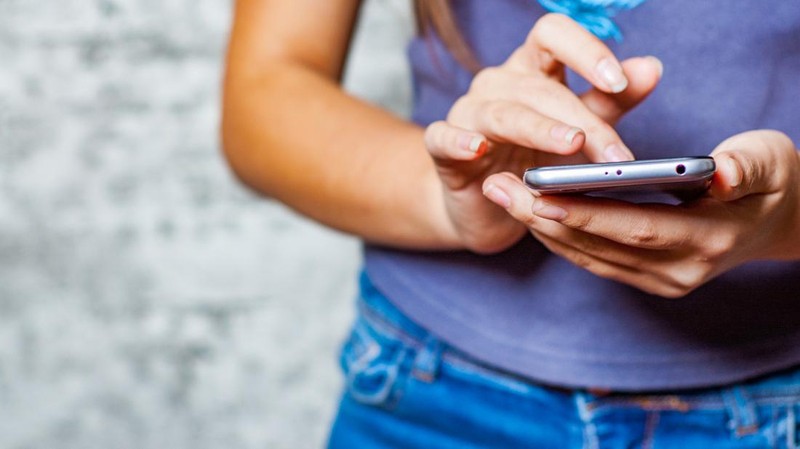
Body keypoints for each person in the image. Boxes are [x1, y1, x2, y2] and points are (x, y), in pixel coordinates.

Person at [222, 0, 800, 447]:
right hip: (427, 389)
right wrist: (450, 195)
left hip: (775, 400)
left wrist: (787, 223)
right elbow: (266, 97)